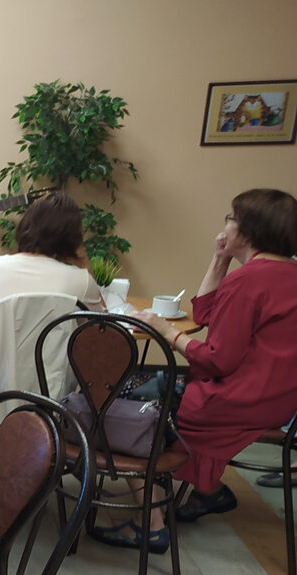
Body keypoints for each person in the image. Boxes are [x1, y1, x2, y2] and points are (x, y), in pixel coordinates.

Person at [92, 189, 297, 549]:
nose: (225, 225)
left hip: (233, 399)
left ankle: (150, 524)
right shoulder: (281, 274)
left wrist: (166, 331)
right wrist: (220, 259)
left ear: (247, 232)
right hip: (277, 401)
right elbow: (206, 316)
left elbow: (217, 359)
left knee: (115, 404)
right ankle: (210, 493)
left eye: (230, 218)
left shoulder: (250, 281)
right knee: (147, 388)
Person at [0, 191, 105, 322]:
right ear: (73, 239)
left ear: (25, 224)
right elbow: (108, 331)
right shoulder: (80, 281)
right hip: (48, 350)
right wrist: (82, 261)